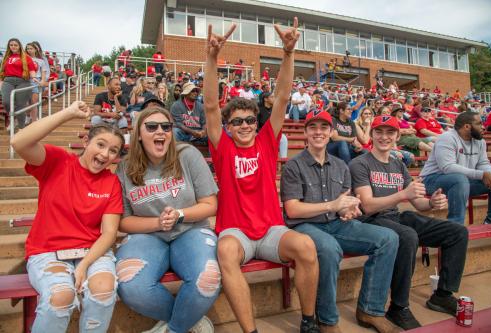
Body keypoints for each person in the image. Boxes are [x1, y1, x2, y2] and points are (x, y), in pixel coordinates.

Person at [204, 18, 322, 333]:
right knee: (225, 251)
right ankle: (250, 331)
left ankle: (308, 321)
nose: (245, 125)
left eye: (250, 119)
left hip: (270, 230)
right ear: (228, 128)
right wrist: (212, 58)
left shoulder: (267, 141)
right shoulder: (223, 148)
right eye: (238, 121)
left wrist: (288, 53)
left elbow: (282, 97)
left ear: (257, 122)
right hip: (237, 232)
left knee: (307, 247)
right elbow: (211, 108)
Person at [281, 110, 400, 333]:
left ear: (331, 132)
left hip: (336, 223)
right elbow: (293, 209)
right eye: (313, 128)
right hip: (305, 226)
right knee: (329, 248)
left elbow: (346, 204)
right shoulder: (293, 166)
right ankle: (327, 320)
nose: (318, 132)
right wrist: (332, 206)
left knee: (388, 238)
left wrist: (349, 210)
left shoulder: (341, 166)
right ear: (305, 132)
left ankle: (371, 310)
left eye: (324, 127)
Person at [11, 101, 124, 333]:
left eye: (113, 151)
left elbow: (110, 232)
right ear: (86, 142)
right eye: (100, 145)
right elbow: (18, 142)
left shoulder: (111, 181)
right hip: (47, 251)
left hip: (90, 251)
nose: (105, 154)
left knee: (104, 289)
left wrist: (84, 264)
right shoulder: (58, 161)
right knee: (61, 295)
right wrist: (68, 113)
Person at [349, 115, 469, 330]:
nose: (384, 137)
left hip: (395, 216)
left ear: (397, 136)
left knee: (457, 232)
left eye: (389, 133)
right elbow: (367, 206)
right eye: (379, 132)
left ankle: (442, 294)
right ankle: (399, 306)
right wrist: (403, 194)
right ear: (372, 135)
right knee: (407, 235)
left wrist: (432, 202)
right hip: (371, 221)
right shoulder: (360, 163)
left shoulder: (398, 165)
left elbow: (418, 203)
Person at [114, 107, 220, 333]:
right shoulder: (125, 167)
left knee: (208, 277)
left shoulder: (188, 154)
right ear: (139, 134)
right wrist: (158, 223)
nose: (160, 131)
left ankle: (173, 329)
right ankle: (190, 320)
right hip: (146, 235)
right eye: (151, 127)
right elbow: (123, 221)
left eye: (166, 127)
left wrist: (180, 214)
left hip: (190, 230)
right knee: (130, 285)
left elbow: (210, 205)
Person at [420, 112, 491, 224]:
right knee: (459, 179)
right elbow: (447, 167)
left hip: (462, 183)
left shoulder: (480, 141)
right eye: (479, 124)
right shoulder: (447, 138)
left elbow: (483, 162)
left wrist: (490, 174)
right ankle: (455, 225)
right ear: (467, 126)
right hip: (431, 181)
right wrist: (481, 174)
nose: (483, 127)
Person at [0, 38, 37, 130]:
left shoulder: (26, 57)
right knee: (6, 101)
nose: (13, 47)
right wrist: (1, 82)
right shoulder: (6, 57)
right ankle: (13, 119)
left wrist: (34, 78)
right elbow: (2, 71)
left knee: (20, 105)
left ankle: (21, 127)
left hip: (23, 81)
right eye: (11, 45)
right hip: (8, 80)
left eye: (15, 45)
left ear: (19, 46)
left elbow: (32, 69)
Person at [258, 92, 288, 158]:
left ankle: (283, 160)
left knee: (283, 138)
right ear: (265, 99)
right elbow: (256, 125)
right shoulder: (259, 110)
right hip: (261, 133)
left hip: (273, 133)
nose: (274, 99)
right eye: (272, 97)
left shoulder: (275, 109)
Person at [25, 42, 47, 125]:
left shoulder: (40, 61)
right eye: (28, 48)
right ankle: (27, 116)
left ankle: (34, 121)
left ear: (35, 49)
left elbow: (43, 72)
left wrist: (43, 81)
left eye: (31, 48)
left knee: (34, 102)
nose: (29, 50)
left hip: (35, 80)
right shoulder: (24, 59)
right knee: (26, 103)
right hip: (25, 80)